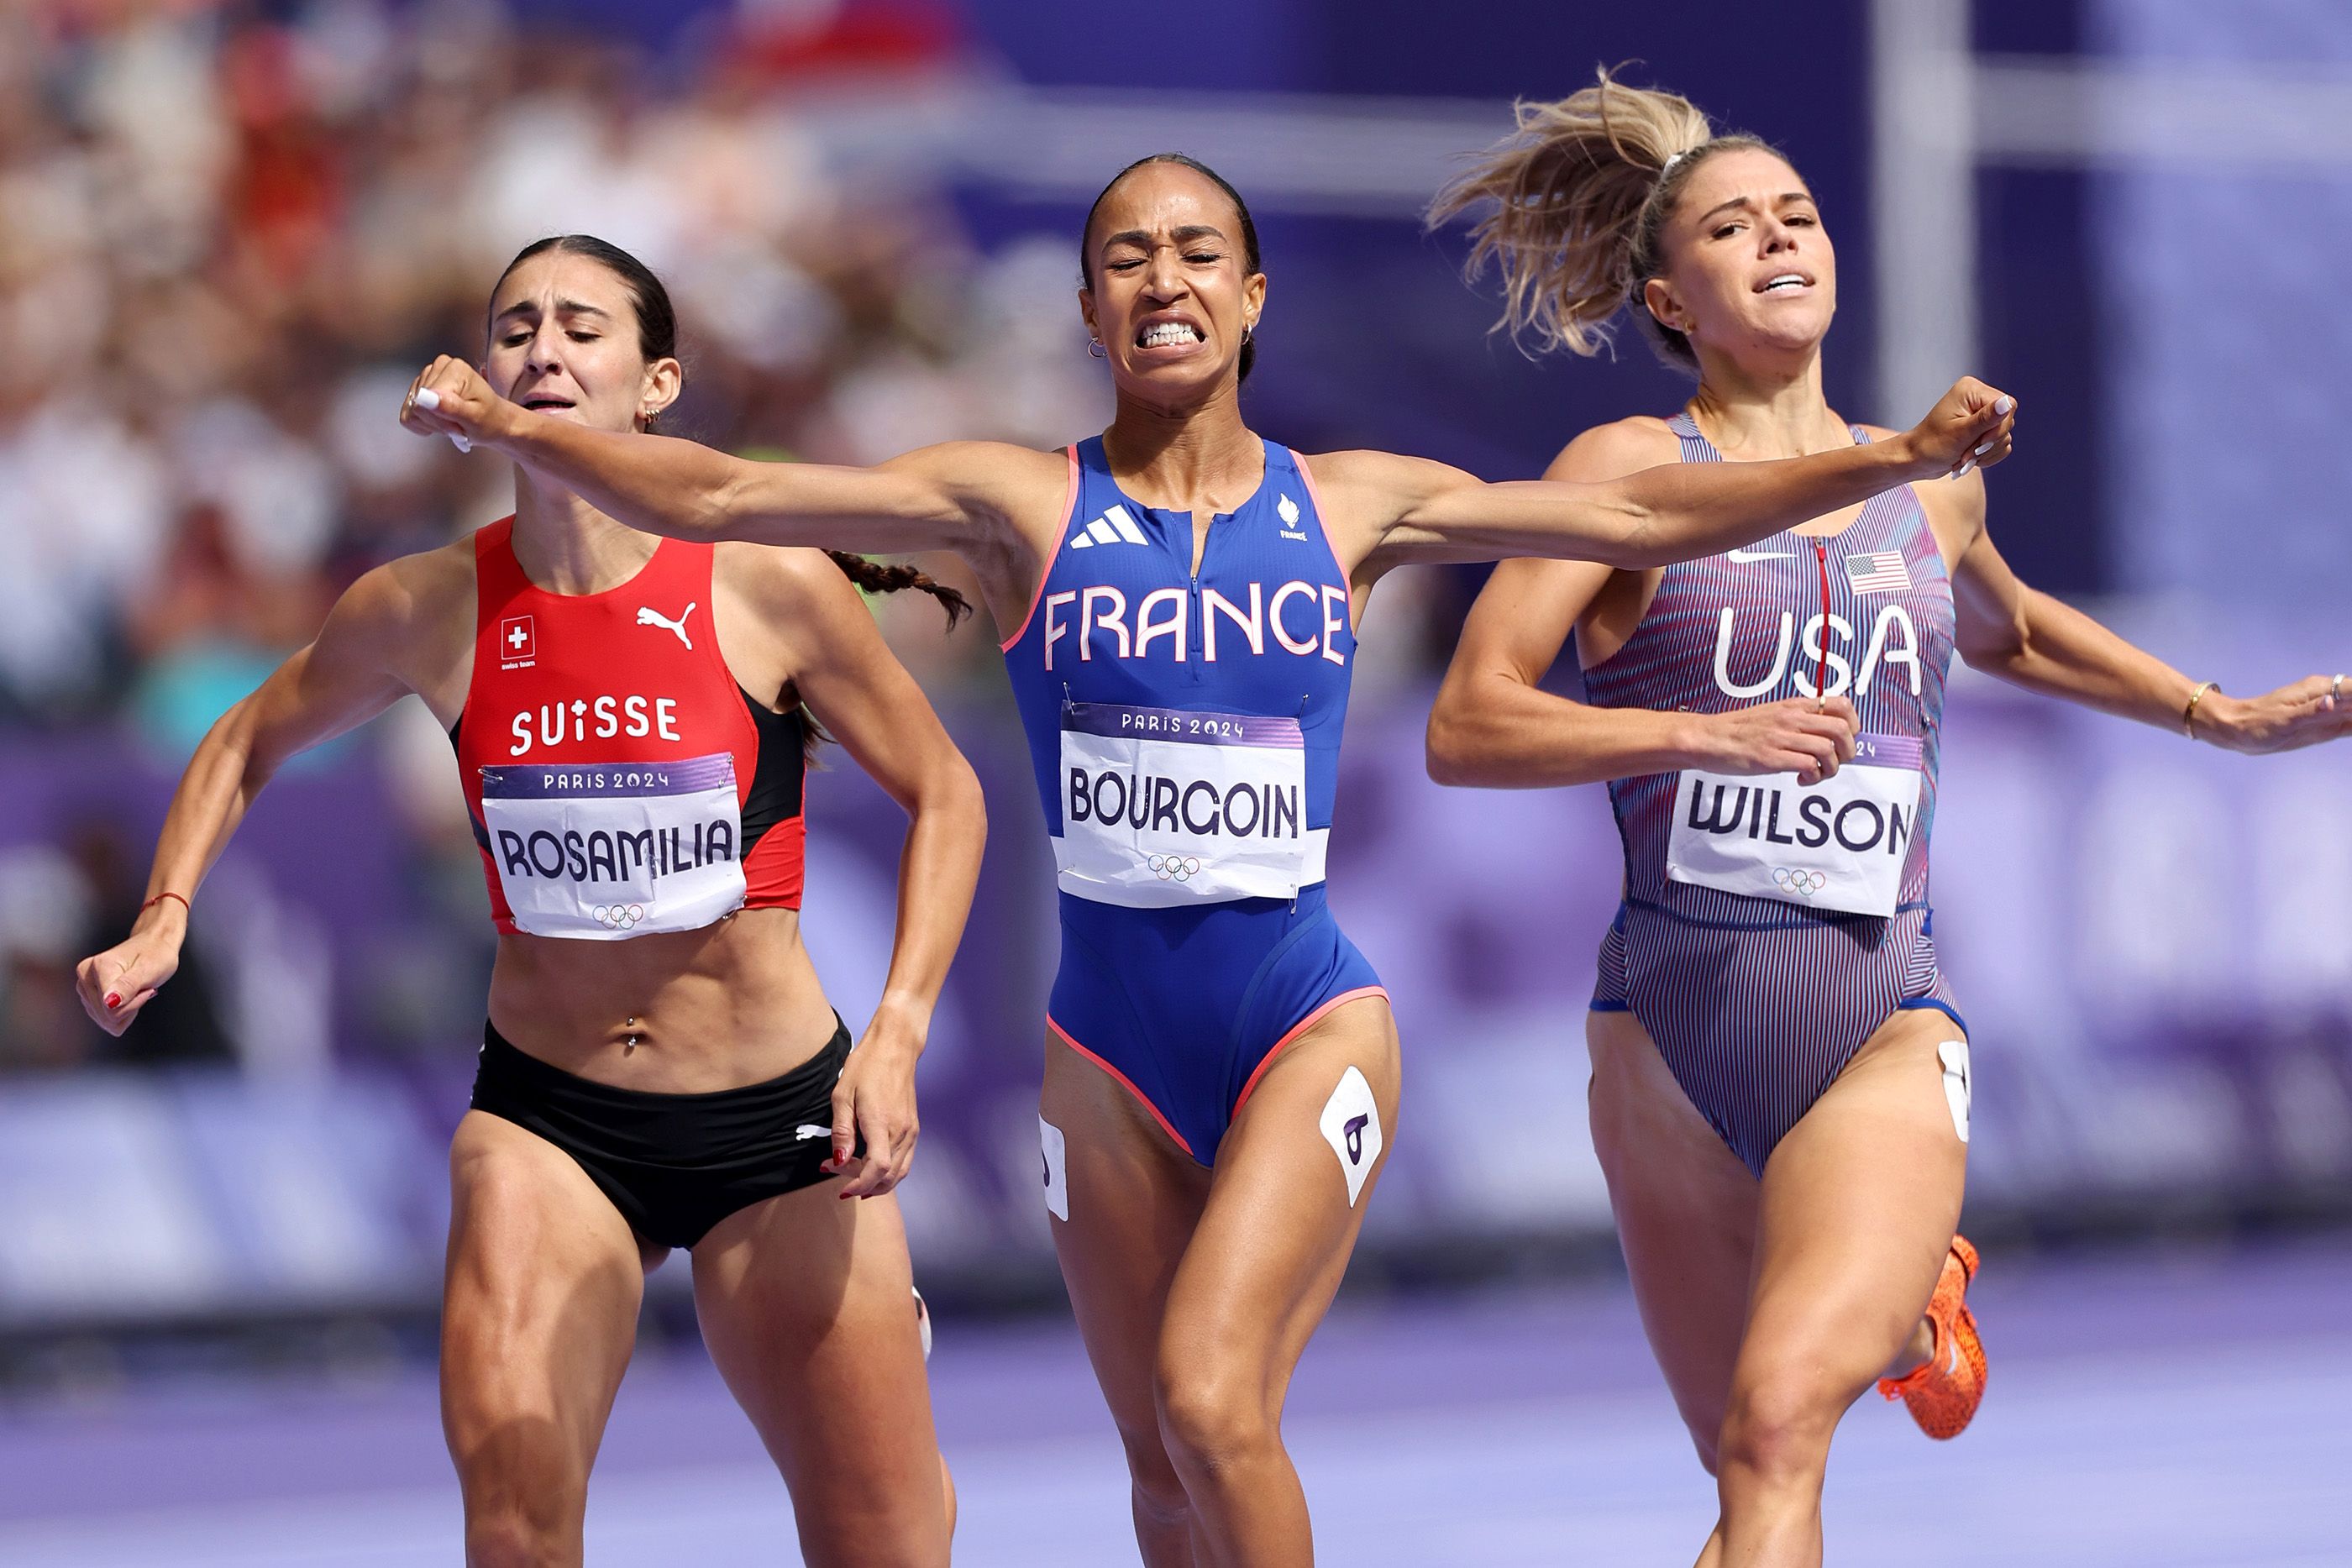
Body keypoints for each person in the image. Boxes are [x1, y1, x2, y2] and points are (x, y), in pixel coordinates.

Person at [398, 154, 2012, 1566]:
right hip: (1102, 1053)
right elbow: (733, 493)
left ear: (1249, 300)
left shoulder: (1359, 504)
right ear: (1093, 314)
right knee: (1162, 1483)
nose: (1160, 278)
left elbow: (1650, 524)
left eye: (1192, 255)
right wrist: (507, 427)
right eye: (1123, 257)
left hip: (1303, 1021)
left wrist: (1881, 464)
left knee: (1212, 1398)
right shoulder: (1012, 508)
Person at [1424, 73, 2352, 1568]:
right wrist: (1701, 731)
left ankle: (1908, 1257)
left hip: (1877, 1019)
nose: (1779, 238)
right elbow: (1469, 725)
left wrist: (2218, 714)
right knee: (1750, 1479)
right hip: (1665, 1033)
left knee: (1781, 1423)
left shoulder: (1930, 491)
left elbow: (2017, 634)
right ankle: (1913, 1294)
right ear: (1673, 299)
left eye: (1796, 214)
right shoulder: (1621, 477)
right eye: (1733, 227)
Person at [78, 234, 984, 1568]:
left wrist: (898, 1031)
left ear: (655, 381)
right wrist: (166, 910)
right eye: (514, 327)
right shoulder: (427, 607)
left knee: (886, 1544)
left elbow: (949, 794)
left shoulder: (767, 585)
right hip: (550, 1124)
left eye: (581, 326)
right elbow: (242, 738)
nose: (542, 348)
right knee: (511, 1528)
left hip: (783, 1129)